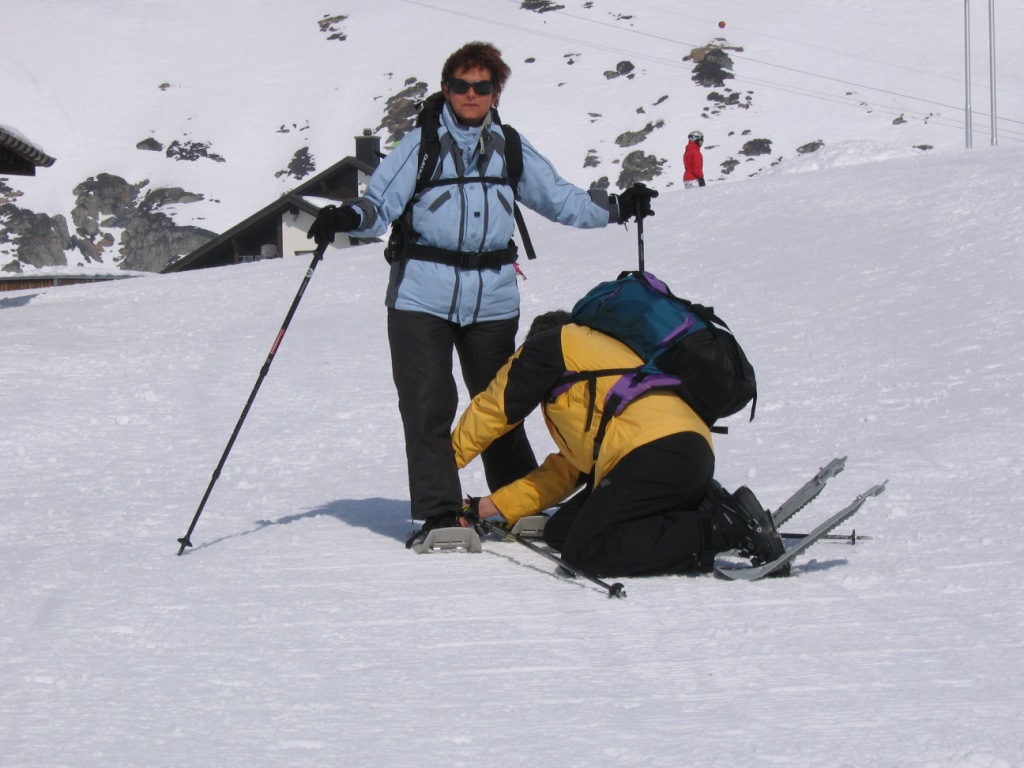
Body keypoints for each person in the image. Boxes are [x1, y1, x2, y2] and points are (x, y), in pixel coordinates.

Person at [306, 41, 658, 548]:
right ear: (445, 89)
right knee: (428, 404)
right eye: (461, 85)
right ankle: (440, 513)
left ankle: (516, 504)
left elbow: (560, 198)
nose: (471, 94)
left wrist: (619, 207)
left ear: (496, 92)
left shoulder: (508, 146)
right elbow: (379, 205)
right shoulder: (421, 145)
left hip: (492, 299)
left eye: (482, 86)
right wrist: (347, 217)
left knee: (503, 403)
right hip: (420, 298)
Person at [450, 311, 785, 578]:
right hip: (687, 452)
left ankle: (725, 527)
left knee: (585, 551)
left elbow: (492, 410)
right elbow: (563, 473)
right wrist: (488, 506)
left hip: (654, 451)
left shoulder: (554, 344)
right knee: (562, 531)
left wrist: (442, 470)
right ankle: (701, 503)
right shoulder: (593, 378)